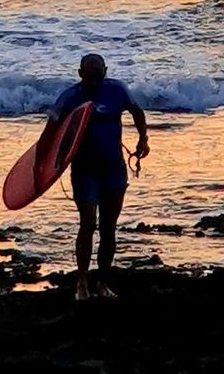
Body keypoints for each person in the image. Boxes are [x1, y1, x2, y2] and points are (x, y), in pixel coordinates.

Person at [38, 54, 149, 301]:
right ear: (80, 74)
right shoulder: (69, 97)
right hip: (84, 170)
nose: (94, 82)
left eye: (98, 76)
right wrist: (39, 167)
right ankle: (81, 283)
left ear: (105, 72)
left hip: (114, 169)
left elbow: (137, 112)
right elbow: (49, 133)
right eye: (89, 77)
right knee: (87, 224)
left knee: (109, 228)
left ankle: (103, 282)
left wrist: (143, 139)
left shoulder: (117, 90)